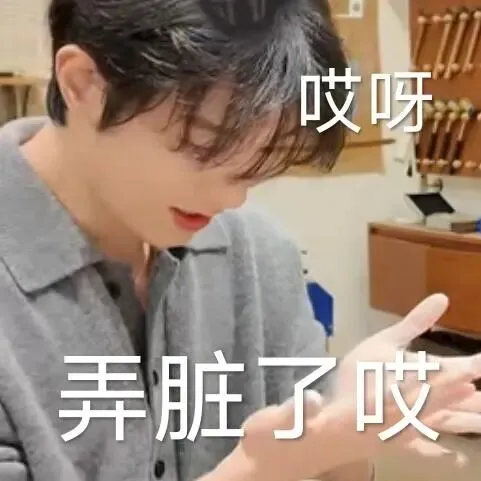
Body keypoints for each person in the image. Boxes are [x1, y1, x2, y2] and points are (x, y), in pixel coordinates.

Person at [0, 0, 480, 480]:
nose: (230, 198)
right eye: (204, 147)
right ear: (84, 83)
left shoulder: (257, 249)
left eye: (263, 160)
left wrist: (349, 430)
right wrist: (255, 472)